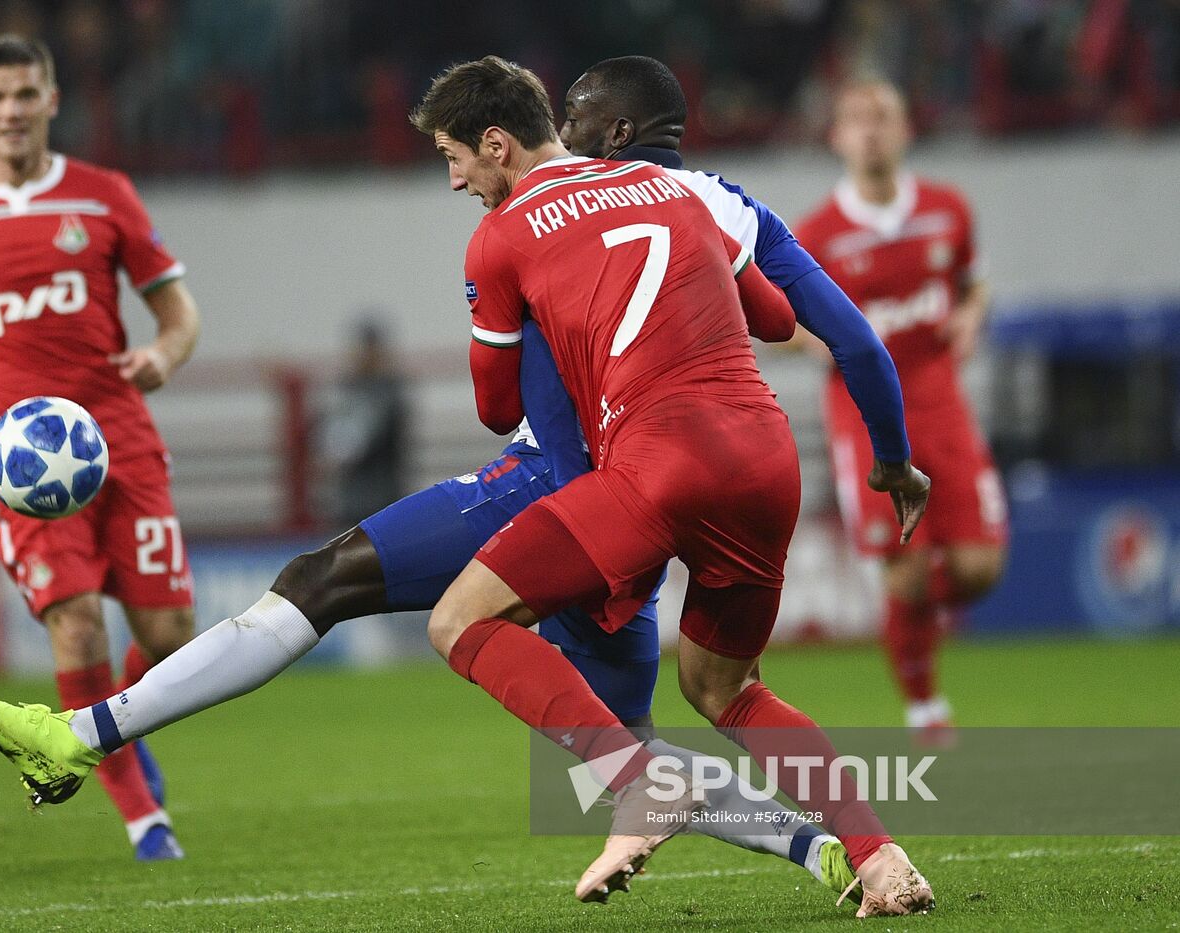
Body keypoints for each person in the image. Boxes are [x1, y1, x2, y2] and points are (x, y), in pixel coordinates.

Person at [409, 57, 933, 915]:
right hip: (764, 457)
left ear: (498, 145)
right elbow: (773, 318)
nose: (456, 175)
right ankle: (879, 859)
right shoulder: (684, 195)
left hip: (653, 460)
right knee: (727, 689)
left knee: (458, 619)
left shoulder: (500, 234)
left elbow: (497, 407)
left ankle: (634, 781)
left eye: (452, 157)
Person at [0, 35, 201, 862]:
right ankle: (142, 815)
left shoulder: (102, 198)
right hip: (11, 458)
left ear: (52, 100)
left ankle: (122, 723)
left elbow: (177, 311)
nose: (12, 111)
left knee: (170, 635)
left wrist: (161, 357)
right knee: (77, 625)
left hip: (115, 436)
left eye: (27, 94)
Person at [794, 80, 1007, 742]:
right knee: (907, 568)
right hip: (864, 415)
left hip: (942, 402)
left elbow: (975, 284)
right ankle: (923, 705)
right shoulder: (817, 235)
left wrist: (971, 317)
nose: (871, 131)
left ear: (907, 129)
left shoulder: (947, 209)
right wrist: (824, 345)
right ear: (836, 138)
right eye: (856, 120)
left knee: (979, 568)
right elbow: (781, 317)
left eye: (882, 117)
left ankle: (906, 616)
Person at [320, 318, 410, 526]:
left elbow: (365, 437)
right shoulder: (348, 388)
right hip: (351, 500)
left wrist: (339, 448)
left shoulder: (388, 390)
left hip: (383, 496)